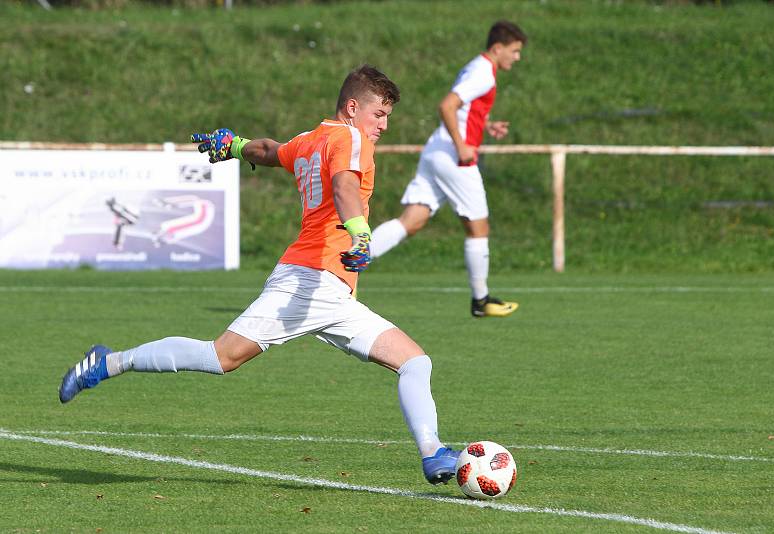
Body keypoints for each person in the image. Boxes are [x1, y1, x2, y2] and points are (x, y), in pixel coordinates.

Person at [58, 65, 460, 485]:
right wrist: (360, 234)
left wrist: (235, 146)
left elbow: (271, 152)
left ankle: (433, 454)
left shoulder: (311, 139)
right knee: (220, 357)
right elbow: (344, 187)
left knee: (415, 361)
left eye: (388, 116)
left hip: (330, 291)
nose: (384, 124)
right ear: (353, 107)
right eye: (379, 113)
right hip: (309, 279)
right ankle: (110, 362)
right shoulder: (348, 137)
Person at [370, 21, 527, 318]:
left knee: (411, 221)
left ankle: (350, 264)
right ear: (498, 48)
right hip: (454, 157)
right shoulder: (483, 73)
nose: (517, 57)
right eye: (515, 51)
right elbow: (447, 105)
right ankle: (481, 301)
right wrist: (462, 144)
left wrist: (486, 124)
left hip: (436, 151)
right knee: (478, 227)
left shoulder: (477, 67)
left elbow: (465, 107)